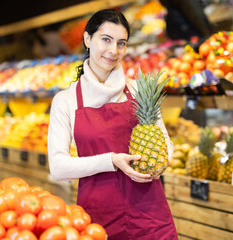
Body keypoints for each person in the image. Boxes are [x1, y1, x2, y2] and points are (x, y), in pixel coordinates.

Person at [48, 9, 178, 239]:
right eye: (105, 40)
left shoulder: (138, 90)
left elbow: (165, 141)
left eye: (121, 43)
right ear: (88, 39)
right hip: (98, 217)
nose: (113, 51)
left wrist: (161, 161)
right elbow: (58, 167)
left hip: (150, 214)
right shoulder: (66, 100)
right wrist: (111, 161)